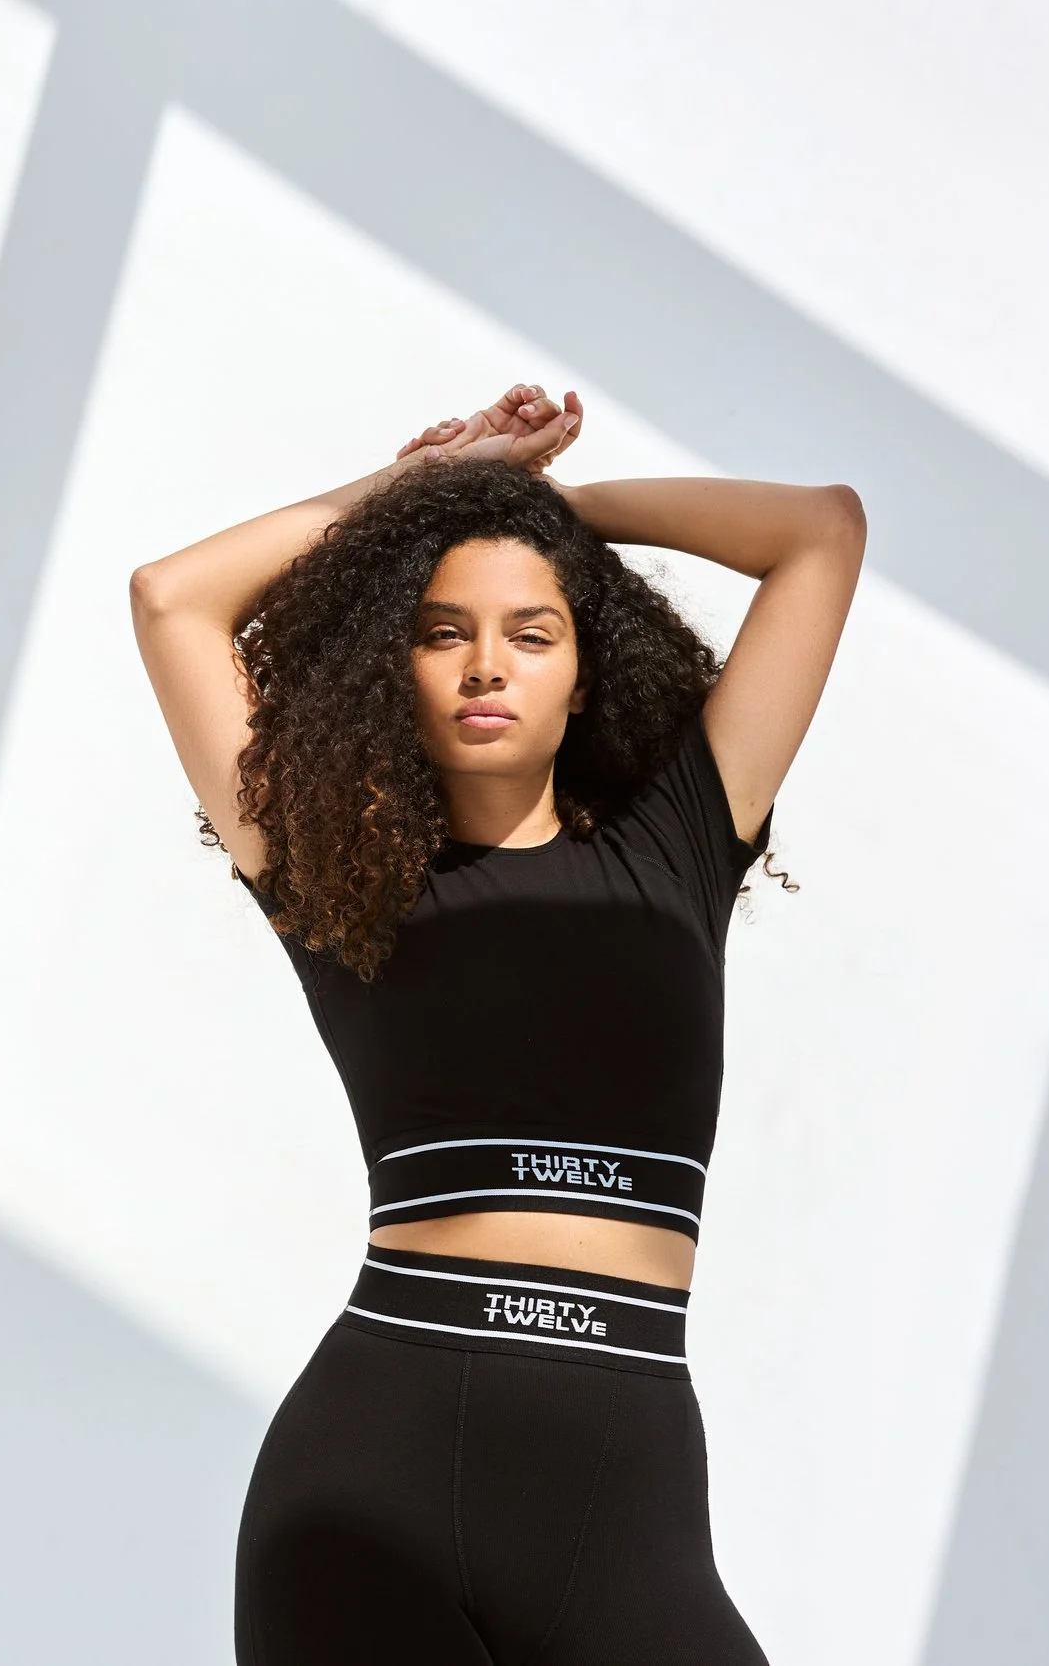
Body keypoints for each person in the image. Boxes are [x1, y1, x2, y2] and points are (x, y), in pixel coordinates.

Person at [128, 384, 864, 1664]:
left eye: (532, 630)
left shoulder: (682, 840)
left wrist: (545, 511)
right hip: (369, 1482)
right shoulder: (336, 879)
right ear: (396, 675)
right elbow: (170, 599)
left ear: (583, 673)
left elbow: (820, 533)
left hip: (617, 1492)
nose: (485, 663)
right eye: (442, 632)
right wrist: (416, 495)